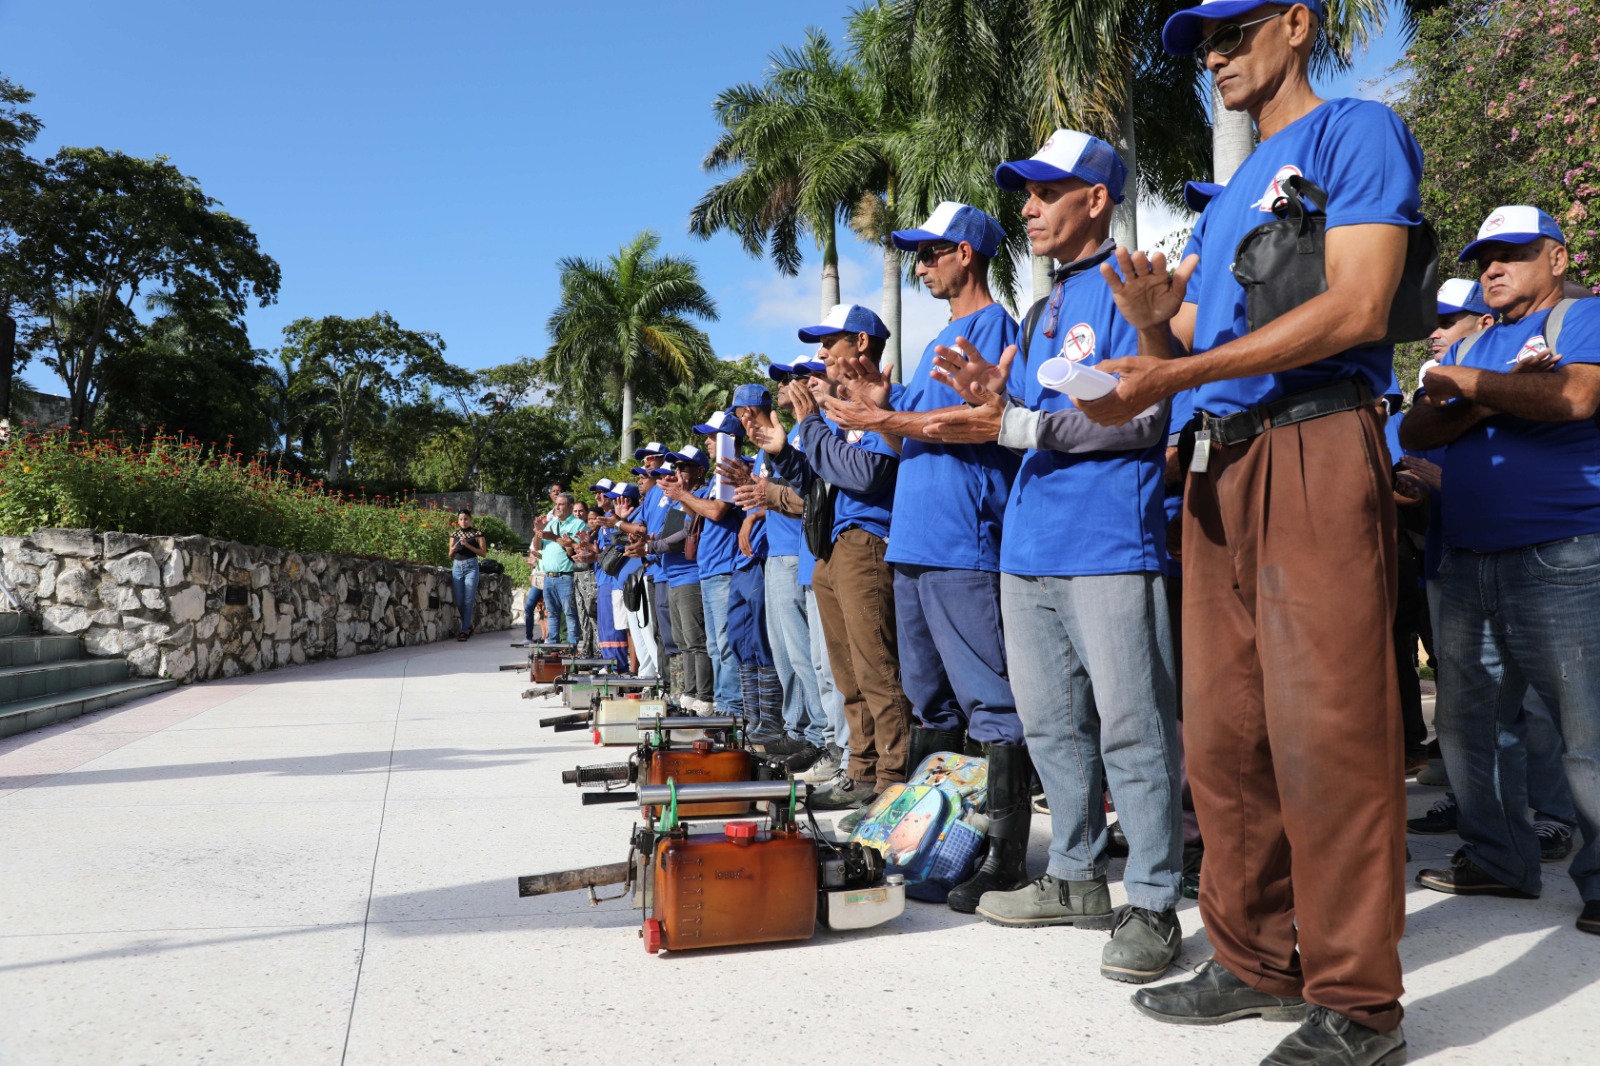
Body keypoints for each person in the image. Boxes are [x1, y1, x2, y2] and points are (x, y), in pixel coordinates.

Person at [1073, 5, 1423, 1061]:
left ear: (1297, 25)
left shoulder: (1352, 132)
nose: (1213, 58)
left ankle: (1359, 1004)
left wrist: (1174, 368)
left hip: (1314, 446)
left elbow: (1360, 306)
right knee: (1224, 734)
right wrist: (1148, 325)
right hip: (1215, 463)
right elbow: (1197, 337)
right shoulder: (1232, 191)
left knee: (1330, 730)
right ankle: (1255, 957)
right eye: (1201, 48)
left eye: (1231, 34)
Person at [907, 138, 1183, 980]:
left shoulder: (1131, 294)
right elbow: (1029, 408)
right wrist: (997, 395)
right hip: (1028, 548)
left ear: (1095, 200)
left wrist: (1017, 421)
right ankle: (1072, 878)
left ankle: (1152, 901)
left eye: (1042, 192)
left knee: (1133, 728)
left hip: (1104, 544)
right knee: (1054, 726)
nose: (1024, 208)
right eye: (1022, 195)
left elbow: (1140, 414)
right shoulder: (1040, 310)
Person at [822, 200, 1030, 913]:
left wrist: (885, 412)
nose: (920, 265)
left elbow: (973, 424)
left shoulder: (993, 328)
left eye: (932, 252)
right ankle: (929, 842)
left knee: (990, 701)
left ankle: (1003, 855)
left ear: (966, 254)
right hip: (915, 542)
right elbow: (905, 436)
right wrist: (874, 405)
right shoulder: (940, 338)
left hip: (961, 542)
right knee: (929, 703)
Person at [1399, 205, 1600, 939]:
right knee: (1471, 723)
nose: (1491, 267)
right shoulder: (1482, 343)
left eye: (1511, 253)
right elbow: (1418, 427)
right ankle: (1498, 857)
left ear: (1556, 258)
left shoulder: (1584, 319)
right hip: (1470, 558)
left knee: (1585, 729)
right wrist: (1492, 396)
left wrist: (1469, 390)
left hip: (1565, 551)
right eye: (1484, 255)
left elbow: (1577, 396)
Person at [757, 305, 912, 814]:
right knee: (847, 675)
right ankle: (862, 771)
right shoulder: (837, 411)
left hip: (866, 541)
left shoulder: (876, 403)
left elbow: (863, 474)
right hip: (831, 544)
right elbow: (818, 485)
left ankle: (892, 778)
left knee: (875, 669)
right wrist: (784, 451)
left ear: (861, 344)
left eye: (830, 342)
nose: (821, 354)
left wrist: (811, 422)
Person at [683, 409, 750, 716]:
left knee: (725, 645)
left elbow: (716, 511)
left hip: (725, 570)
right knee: (714, 646)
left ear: (730, 438)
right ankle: (724, 704)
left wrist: (682, 494)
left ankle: (732, 708)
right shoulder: (717, 475)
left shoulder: (736, 469)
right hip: (710, 571)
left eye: (712, 437)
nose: (707, 443)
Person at [650, 448, 715, 710]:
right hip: (673, 577)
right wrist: (653, 543)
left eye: (683, 468)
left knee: (696, 641)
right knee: (684, 642)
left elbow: (686, 532)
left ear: (699, 471)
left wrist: (653, 546)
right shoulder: (678, 501)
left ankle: (704, 695)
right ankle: (689, 692)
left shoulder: (698, 496)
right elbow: (667, 536)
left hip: (690, 576)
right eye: (675, 468)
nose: (677, 473)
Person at [607, 483, 659, 680]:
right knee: (639, 634)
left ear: (625, 499)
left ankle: (658, 676)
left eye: (616, 498)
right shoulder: (629, 516)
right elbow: (617, 545)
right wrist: (620, 520)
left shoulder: (637, 514)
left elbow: (633, 539)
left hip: (643, 577)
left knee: (648, 631)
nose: (613, 502)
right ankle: (647, 675)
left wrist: (620, 521)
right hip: (629, 582)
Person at [538, 493, 586, 644]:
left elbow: (573, 549)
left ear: (570, 507)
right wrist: (537, 531)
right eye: (556, 504)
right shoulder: (551, 523)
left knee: (570, 613)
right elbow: (539, 546)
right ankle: (553, 646)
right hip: (549, 576)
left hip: (566, 575)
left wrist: (553, 537)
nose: (557, 507)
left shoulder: (578, 525)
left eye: (561, 504)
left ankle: (571, 646)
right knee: (551, 613)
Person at [448, 508, 487, 640]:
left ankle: (464, 630)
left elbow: (483, 553)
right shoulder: (454, 534)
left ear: (470, 520)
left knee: (468, 600)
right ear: (457, 521)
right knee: (459, 600)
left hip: (471, 566)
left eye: (466, 519)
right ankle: (468, 625)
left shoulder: (477, 534)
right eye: (461, 519)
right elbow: (449, 555)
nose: (463, 521)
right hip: (457, 567)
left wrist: (467, 545)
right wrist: (453, 549)